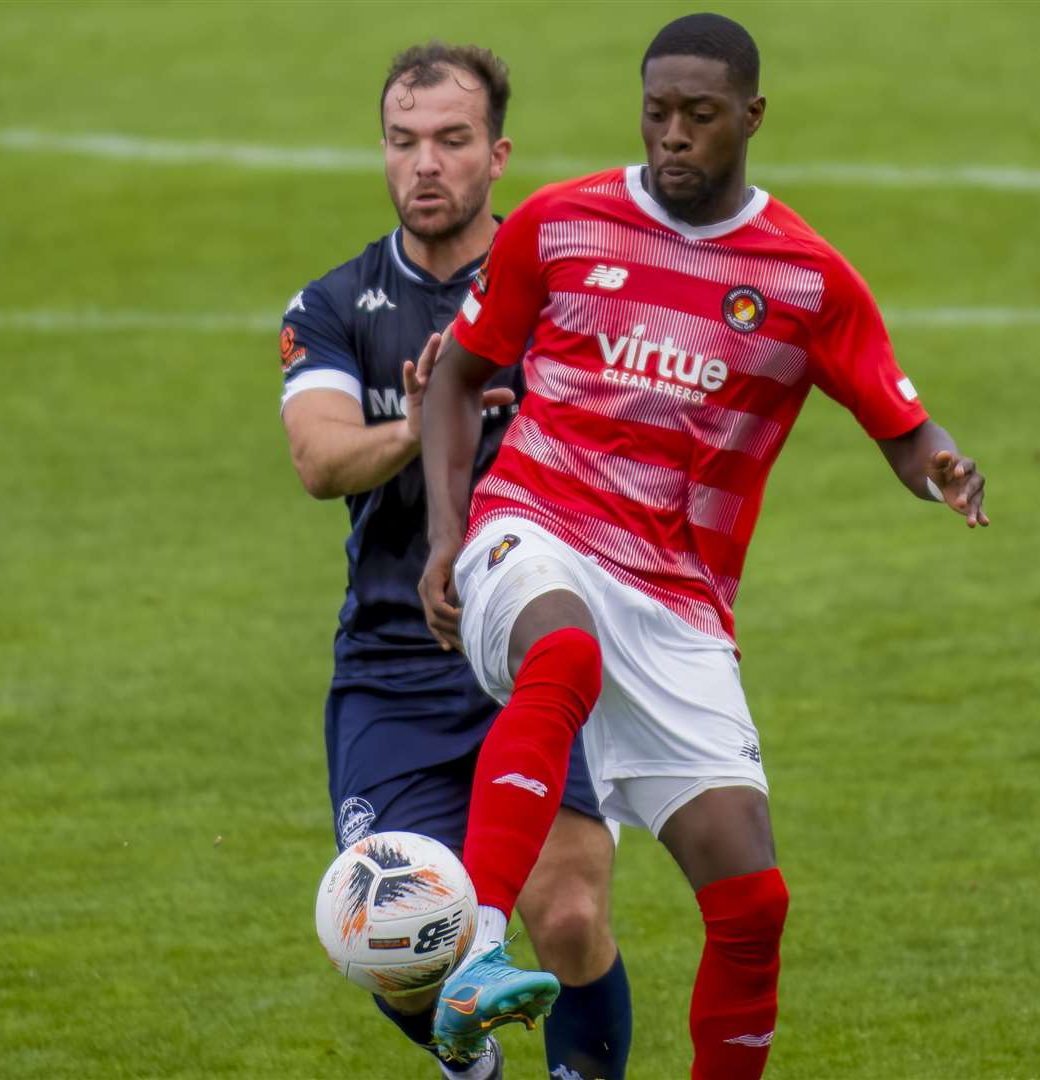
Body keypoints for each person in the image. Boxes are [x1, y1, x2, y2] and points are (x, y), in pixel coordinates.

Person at [416, 12, 989, 1077]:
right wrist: (447, 538)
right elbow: (454, 376)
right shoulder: (558, 223)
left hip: (677, 604)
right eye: (655, 113)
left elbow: (904, 427)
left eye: (699, 116)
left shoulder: (806, 279)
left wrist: (942, 468)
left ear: (751, 119)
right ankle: (475, 956)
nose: (671, 136)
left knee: (751, 900)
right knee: (565, 653)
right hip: (533, 532)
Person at [279, 41, 633, 1080]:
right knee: (384, 939)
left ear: (497, 153)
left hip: (531, 646)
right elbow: (317, 459)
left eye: (450, 140)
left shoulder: (559, 295)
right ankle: (467, 1063)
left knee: (566, 916)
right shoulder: (335, 305)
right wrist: (430, 413)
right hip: (392, 663)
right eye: (402, 141)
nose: (423, 163)